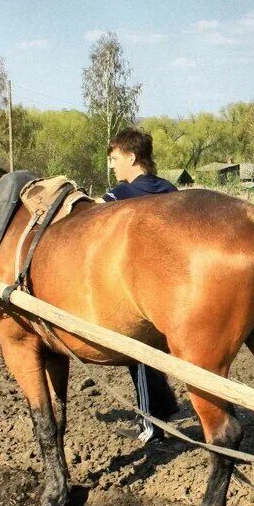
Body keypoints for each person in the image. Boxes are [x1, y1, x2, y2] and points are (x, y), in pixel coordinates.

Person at [101, 128, 180, 437]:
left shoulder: (120, 195)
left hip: (142, 282)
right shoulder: (170, 189)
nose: (112, 165)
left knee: (138, 350)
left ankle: (150, 425)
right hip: (173, 279)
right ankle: (163, 407)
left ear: (132, 157)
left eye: (114, 158)